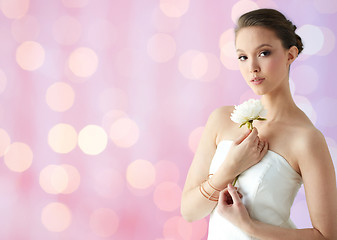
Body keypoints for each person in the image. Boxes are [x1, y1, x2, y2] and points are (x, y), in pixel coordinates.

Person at [181, 8, 337, 239]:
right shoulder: (222, 120)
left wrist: (249, 226)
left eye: (263, 53)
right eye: (243, 56)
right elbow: (189, 212)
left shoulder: (306, 138)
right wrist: (229, 168)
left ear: (290, 55)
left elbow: (326, 236)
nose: (252, 67)